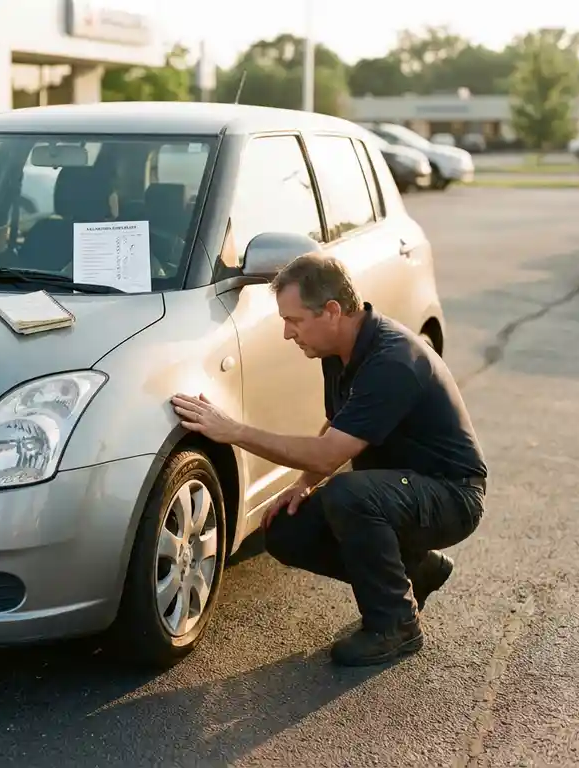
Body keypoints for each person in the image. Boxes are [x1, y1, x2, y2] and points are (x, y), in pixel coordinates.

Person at [170, 252, 487, 667]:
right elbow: (337, 426)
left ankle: (396, 626)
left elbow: (332, 453)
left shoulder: (391, 361)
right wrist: (302, 485)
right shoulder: (339, 352)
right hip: (402, 490)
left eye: (294, 320)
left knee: (348, 495)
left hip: (451, 495)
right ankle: (415, 570)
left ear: (332, 311)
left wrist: (235, 431)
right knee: (284, 528)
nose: (287, 333)